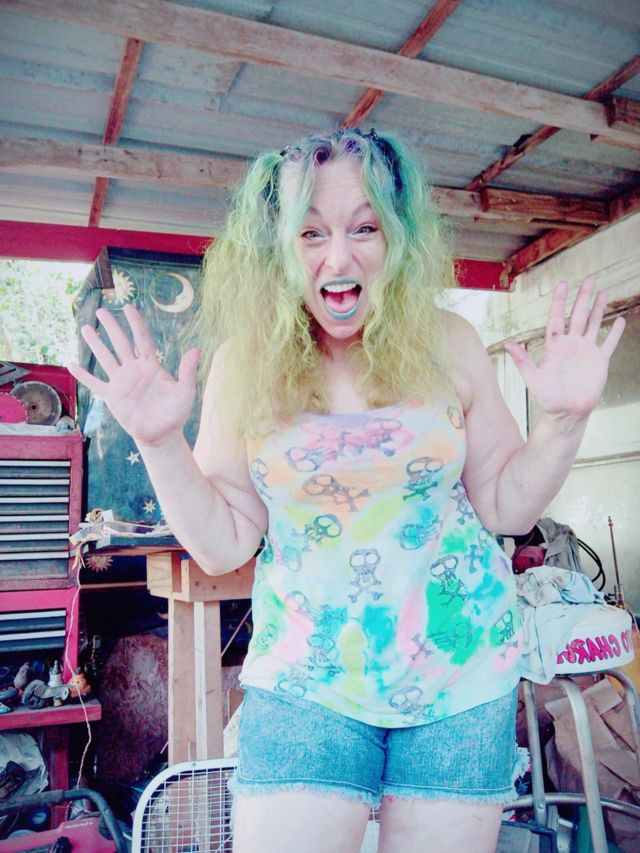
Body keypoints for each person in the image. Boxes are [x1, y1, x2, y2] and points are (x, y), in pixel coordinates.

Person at [68, 128, 625, 853]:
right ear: (276, 249)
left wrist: (563, 422)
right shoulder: (245, 364)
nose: (338, 257)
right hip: (307, 682)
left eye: (364, 228)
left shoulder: (450, 341)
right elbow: (223, 543)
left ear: (399, 238)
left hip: (458, 677)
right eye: (311, 233)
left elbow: (505, 505)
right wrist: (157, 441)